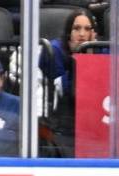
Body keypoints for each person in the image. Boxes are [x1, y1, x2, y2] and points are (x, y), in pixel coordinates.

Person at [39, 9, 98, 156]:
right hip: (61, 122)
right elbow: (64, 91)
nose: (82, 34)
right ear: (68, 33)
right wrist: (79, 59)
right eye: (76, 28)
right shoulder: (54, 51)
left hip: (93, 121)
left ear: (93, 33)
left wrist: (92, 57)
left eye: (87, 29)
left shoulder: (100, 50)